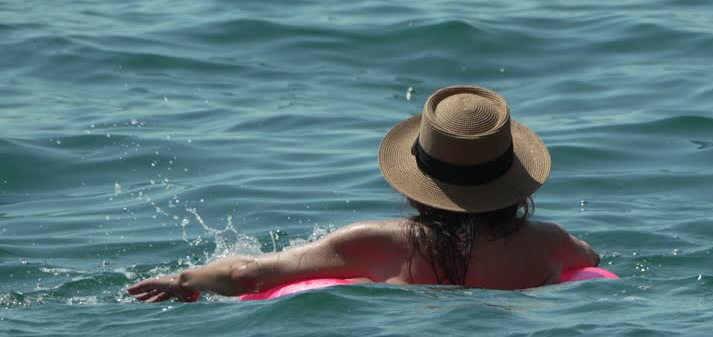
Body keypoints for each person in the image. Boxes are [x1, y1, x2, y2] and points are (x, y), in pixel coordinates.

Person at [128, 86, 600, 303]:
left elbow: (253, 274)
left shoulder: (377, 243)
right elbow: (591, 259)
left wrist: (186, 279)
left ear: (419, 185)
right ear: (512, 182)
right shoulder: (549, 242)